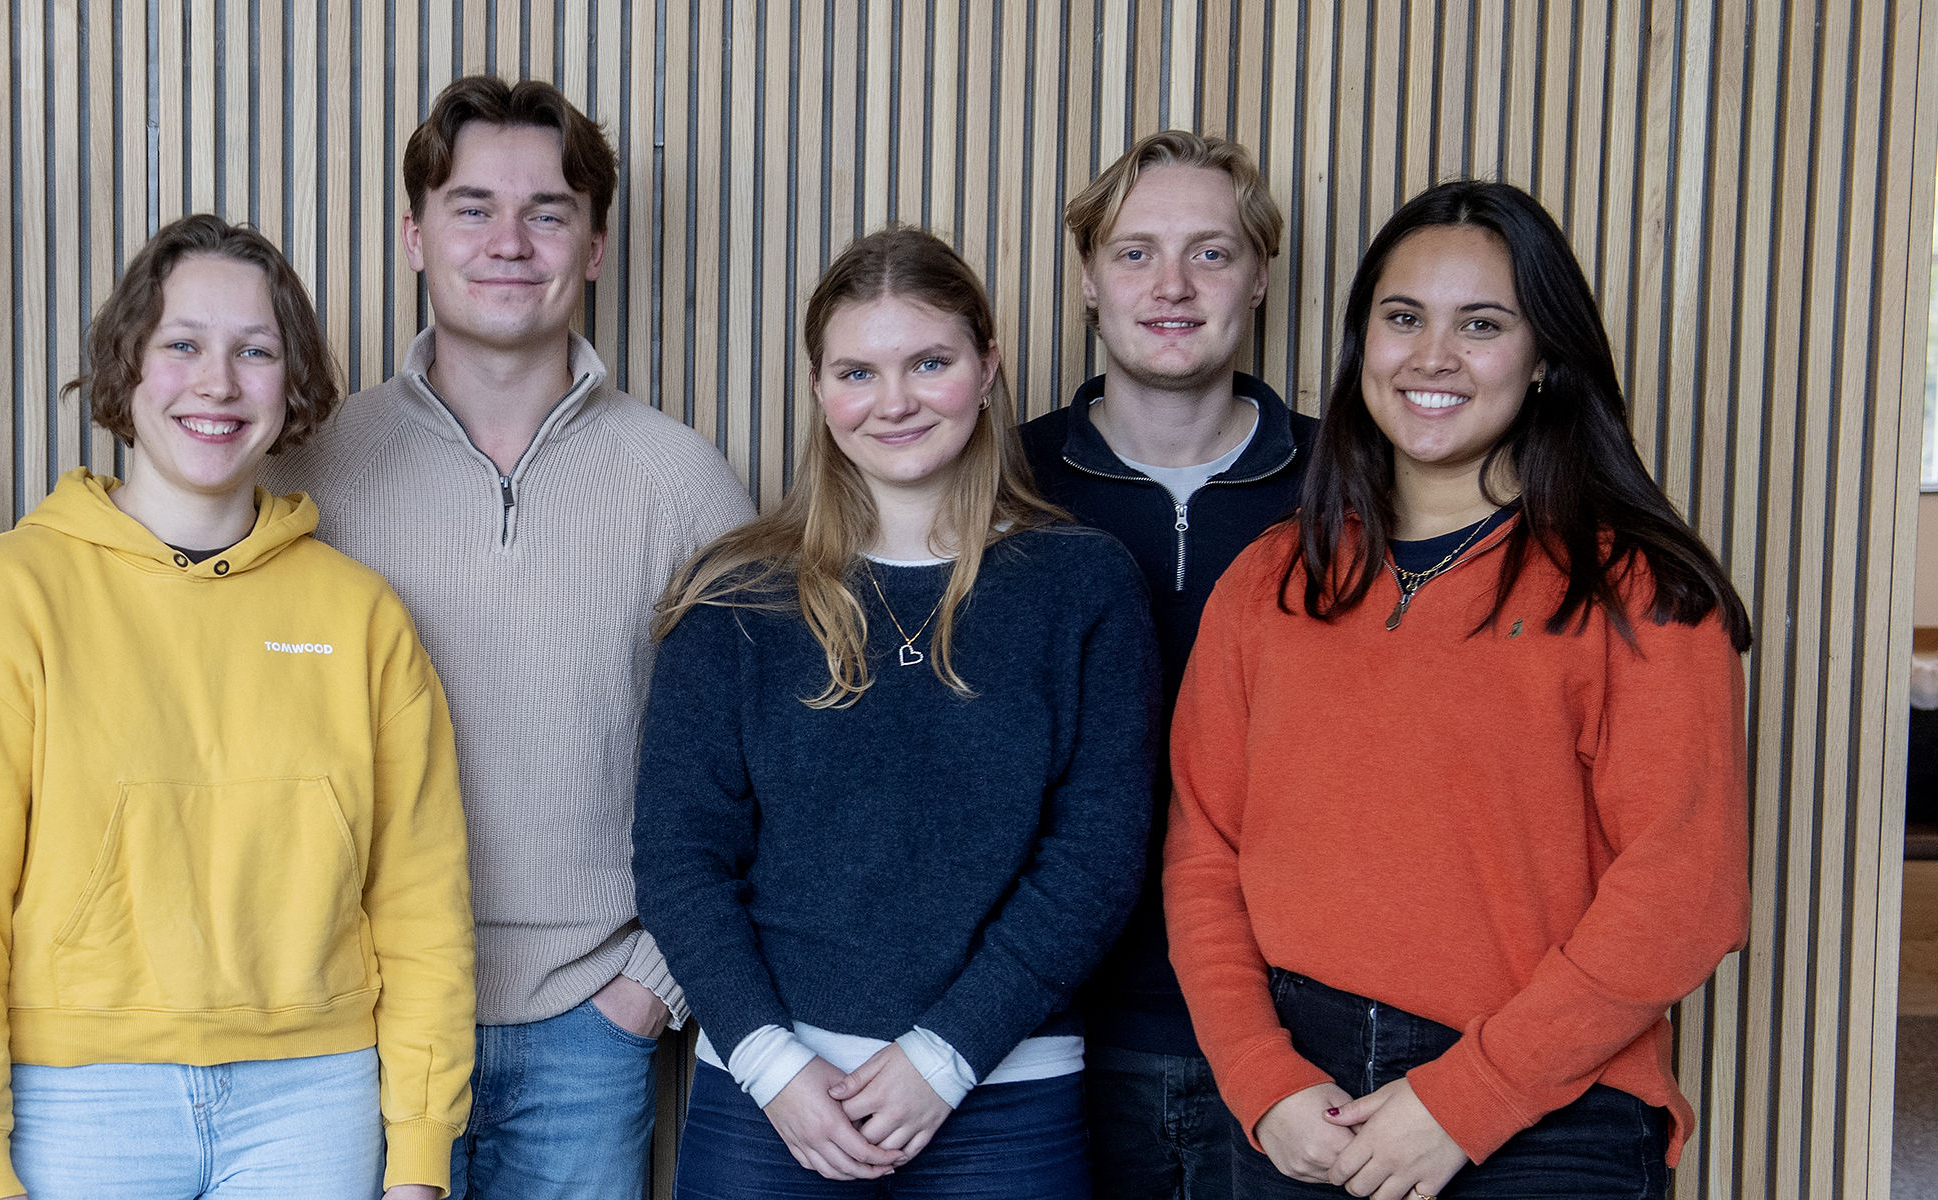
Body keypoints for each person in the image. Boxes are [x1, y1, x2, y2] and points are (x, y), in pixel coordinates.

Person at [1166, 180, 1753, 1200]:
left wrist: (1465, 1099)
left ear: (1543, 362)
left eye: (1481, 325)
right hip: (1302, 1102)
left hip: (1549, 1108)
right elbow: (1204, 852)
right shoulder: (1269, 581)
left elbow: (1684, 895)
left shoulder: (1640, 591)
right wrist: (1261, 1081)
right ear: (1363, 348)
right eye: (1404, 319)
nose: (1432, 357)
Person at [0, 214, 474, 1200]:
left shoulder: (362, 618)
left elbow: (423, 904)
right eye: (183, 345)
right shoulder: (7, 599)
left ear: (291, 385)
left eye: (255, 351)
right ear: (129, 367)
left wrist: (419, 1152)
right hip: (76, 1098)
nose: (218, 383)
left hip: (314, 1096)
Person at [260, 74, 755, 1199]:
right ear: (415, 236)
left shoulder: (686, 484)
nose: (509, 243)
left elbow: (758, 767)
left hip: (592, 1023)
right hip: (351, 1020)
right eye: (472, 207)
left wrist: (649, 992)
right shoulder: (305, 472)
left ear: (594, 246)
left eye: (548, 212)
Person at [634, 227, 1158, 1198]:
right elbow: (680, 859)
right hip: (770, 1104)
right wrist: (773, 1066)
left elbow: (1095, 858)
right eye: (857, 371)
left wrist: (946, 1054)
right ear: (819, 387)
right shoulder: (734, 597)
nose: (896, 401)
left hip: (1005, 1096)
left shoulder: (1082, 585)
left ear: (988, 366)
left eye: (930, 362)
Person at [1015, 129, 1312, 1199]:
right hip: (1047, 1034)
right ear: (1088, 279)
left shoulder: (1350, 490)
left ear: (1263, 274)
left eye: (1212, 252)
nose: (1173, 285)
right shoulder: (997, 483)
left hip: (1296, 1043)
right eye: (1136, 252)